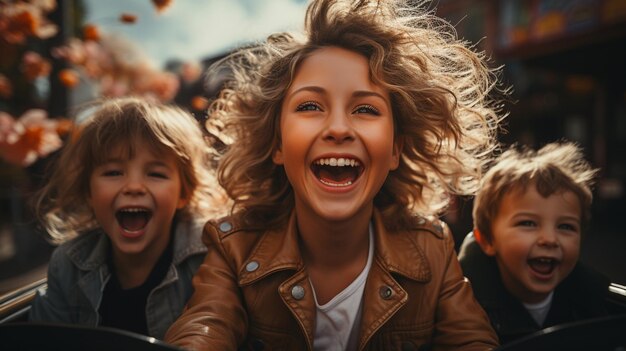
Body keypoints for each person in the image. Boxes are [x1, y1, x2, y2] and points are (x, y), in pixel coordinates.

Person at [165, 0, 506, 349]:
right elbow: (205, 325)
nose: (339, 128)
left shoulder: (433, 250)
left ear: (394, 150)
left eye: (365, 109)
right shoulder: (234, 249)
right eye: (310, 106)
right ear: (278, 143)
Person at [29, 97, 226, 340]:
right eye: (113, 172)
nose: (134, 186)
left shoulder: (210, 256)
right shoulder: (68, 265)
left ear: (183, 193)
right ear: (88, 191)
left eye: (155, 174)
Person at [458, 142, 611, 344]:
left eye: (566, 227)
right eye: (528, 223)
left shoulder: (595, 302)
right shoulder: (461, 307)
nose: (549, 239)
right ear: (487, 240)